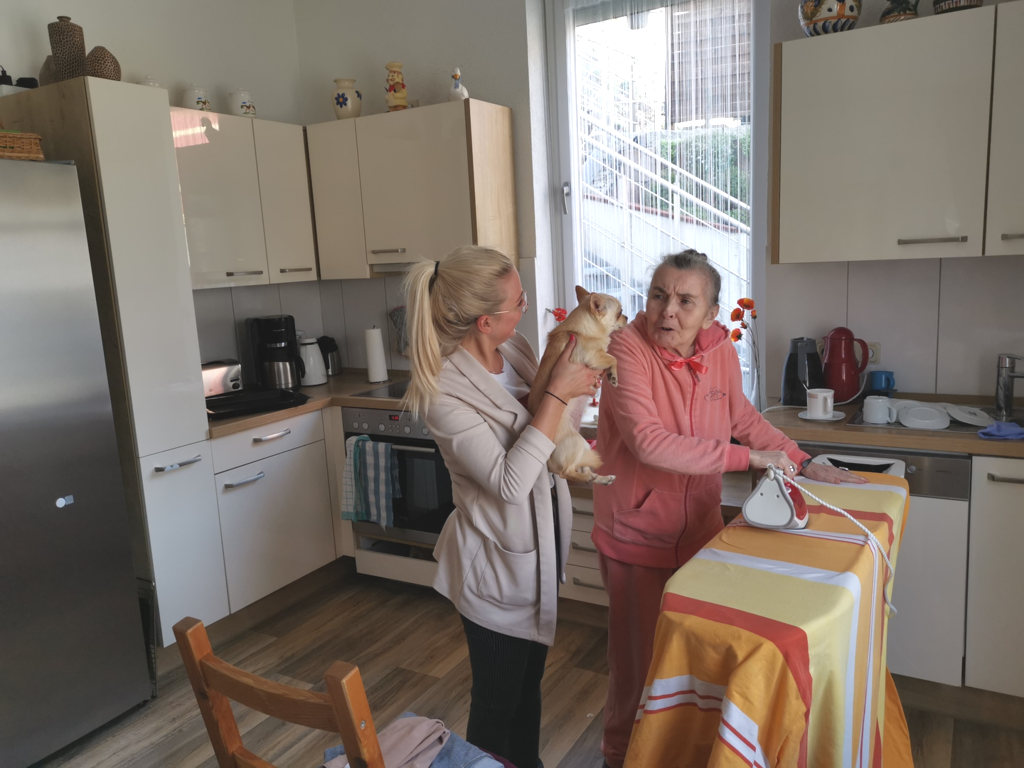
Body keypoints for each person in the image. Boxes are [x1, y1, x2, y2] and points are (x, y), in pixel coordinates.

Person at [592, 249, 865, 768]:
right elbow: (649, 443)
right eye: (658, 296)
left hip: (700, 533)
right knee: (638, 669)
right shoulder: (624, 350)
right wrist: (748, 458)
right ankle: (620, 757)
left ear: (711, 313)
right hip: (636, 533)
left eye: (685, 301)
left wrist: (803, 461)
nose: (667, 310)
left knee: (693, 666)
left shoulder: (719, 349)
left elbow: (742, 418)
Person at [402, 245, 601, 768]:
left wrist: (578, 385)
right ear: (485, 320)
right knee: (496, 703)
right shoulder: (442, 390)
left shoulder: (515, 349)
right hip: (494, 566)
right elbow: (510, 483)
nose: (526, 307)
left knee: (527, 690)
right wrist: (558, 393)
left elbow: (551, 433)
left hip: (538, 552)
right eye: (519, 302)